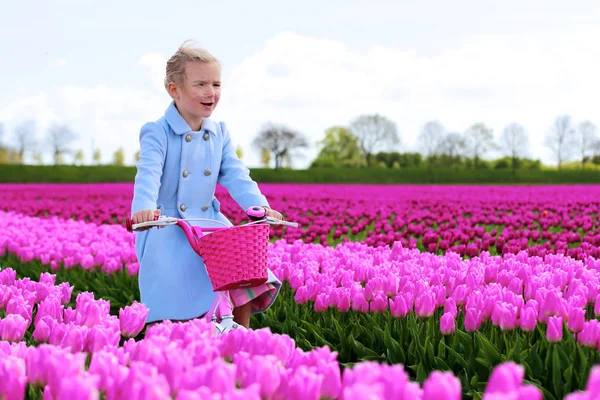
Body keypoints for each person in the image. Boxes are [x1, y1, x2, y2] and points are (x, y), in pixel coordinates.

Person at [130, 40, 283, 333]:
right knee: (177, 297)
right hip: (167, 226)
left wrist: (260, 205)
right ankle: (178, 345)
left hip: (209, 222)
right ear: (174, 89)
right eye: (200, 84)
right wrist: (143, 209)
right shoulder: (157, 132)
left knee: (243, 273)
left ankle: (240, 341)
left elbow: (236, 173)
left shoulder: (219, 133)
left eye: (216, 84)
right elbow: (148, 173)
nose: (210, 93)